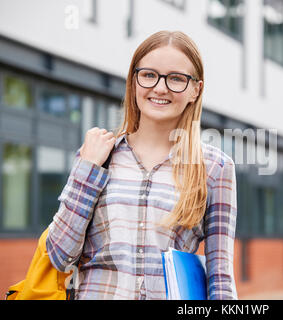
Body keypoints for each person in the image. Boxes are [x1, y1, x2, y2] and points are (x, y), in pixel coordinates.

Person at [46, 30, 238, 300]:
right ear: (134, 81)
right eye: (149, 75)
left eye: (176, 79)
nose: (160, 88)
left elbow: (220, 279)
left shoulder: (215, 168)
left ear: (196, 89)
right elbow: (59, 255)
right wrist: (87, 170)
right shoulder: (98, 155)